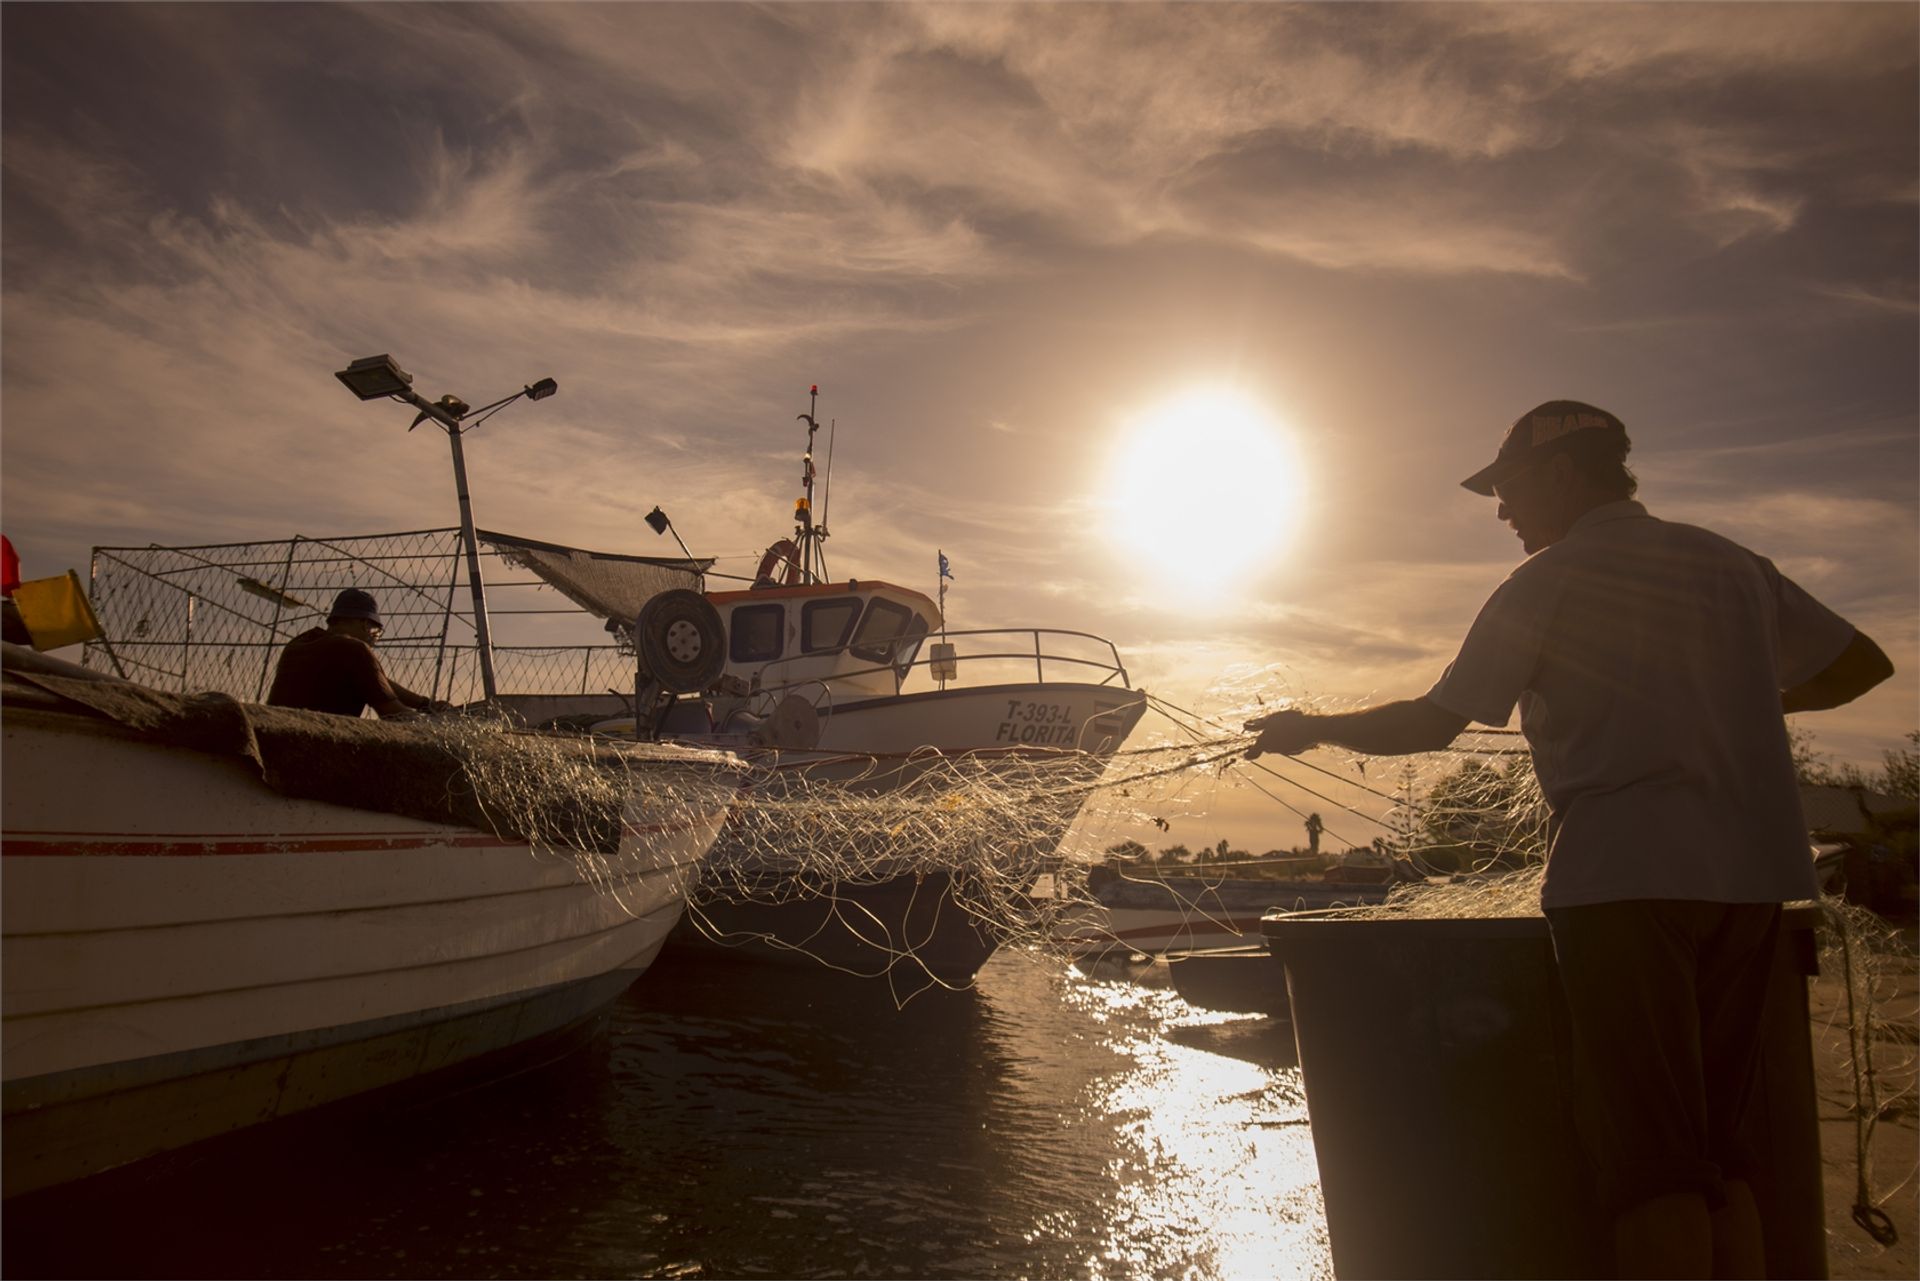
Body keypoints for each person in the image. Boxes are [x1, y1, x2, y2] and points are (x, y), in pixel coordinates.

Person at [1246, 400, 1893, 1280]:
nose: (1503, 509)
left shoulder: (1545, 583)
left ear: (1562, 472)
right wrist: (1725, 694)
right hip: (1753, 884)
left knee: (1652, 1168)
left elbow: (1435, 723)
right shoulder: (1730, 563)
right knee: (1727, 1153)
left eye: (1508, 487)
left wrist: (1310, 724)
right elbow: (1862, 665)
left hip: (1624, 885)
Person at [267, 588, 452, 720]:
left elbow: (379, 681)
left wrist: (425, 704)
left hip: (277, 732)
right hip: (316, 748)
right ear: (366, 624)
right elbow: (394, 713)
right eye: (377, 632)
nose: (375, 639)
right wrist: (439, 726)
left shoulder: (300, 643)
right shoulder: (355, 649)